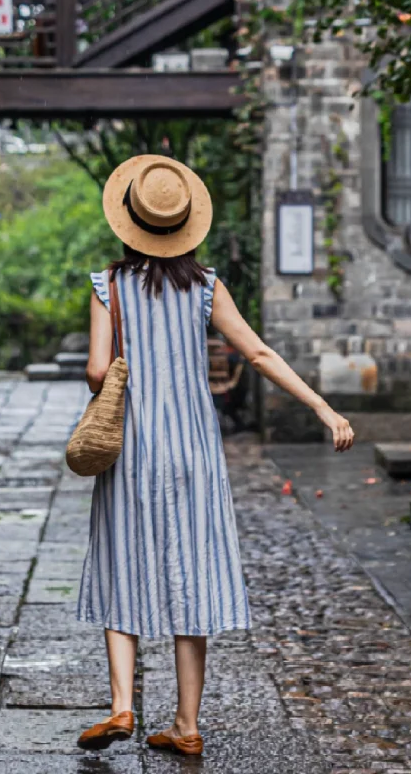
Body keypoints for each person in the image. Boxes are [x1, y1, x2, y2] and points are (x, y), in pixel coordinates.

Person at [74, 156, 354, 757]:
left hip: (132, 451)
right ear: (184, 226)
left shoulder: (109, 286)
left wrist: (117, 374)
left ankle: (122, 704)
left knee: (121, 560)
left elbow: (99, 370)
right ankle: (187, 724)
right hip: (194, 453)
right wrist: (324, 409)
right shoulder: (205, 288)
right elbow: (258, 354)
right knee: (190, 574)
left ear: (128, 219)